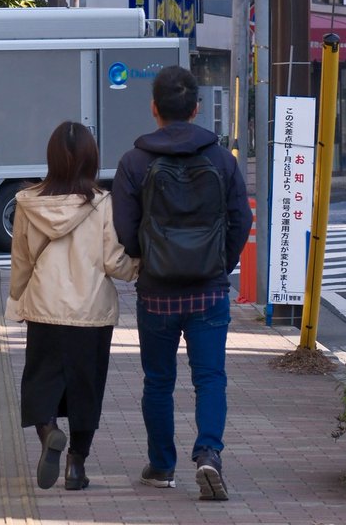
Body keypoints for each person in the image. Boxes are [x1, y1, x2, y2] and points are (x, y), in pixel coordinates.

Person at [111, 66, 251, 501]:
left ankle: (161, 465)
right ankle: (209, 453)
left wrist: (151, 259)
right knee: (210, 377)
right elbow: (241, 219)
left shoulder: (134, 162)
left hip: (156, 290)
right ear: (194, 109)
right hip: (209, 288)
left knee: (158, 380)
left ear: (154, 109)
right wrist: (220, 263)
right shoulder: (220, 160)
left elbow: (124, 228)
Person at [8, 121, 139, 492]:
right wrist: (139, 270)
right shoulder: (101, 203)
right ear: (91, 160)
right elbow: (114, 261)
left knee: (41, 382)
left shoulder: (27, 203)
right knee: (86, 390)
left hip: (45, 307)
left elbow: (21, 260)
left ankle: (49, 430)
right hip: (91, 312)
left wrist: (18, 300)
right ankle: (76, 467)